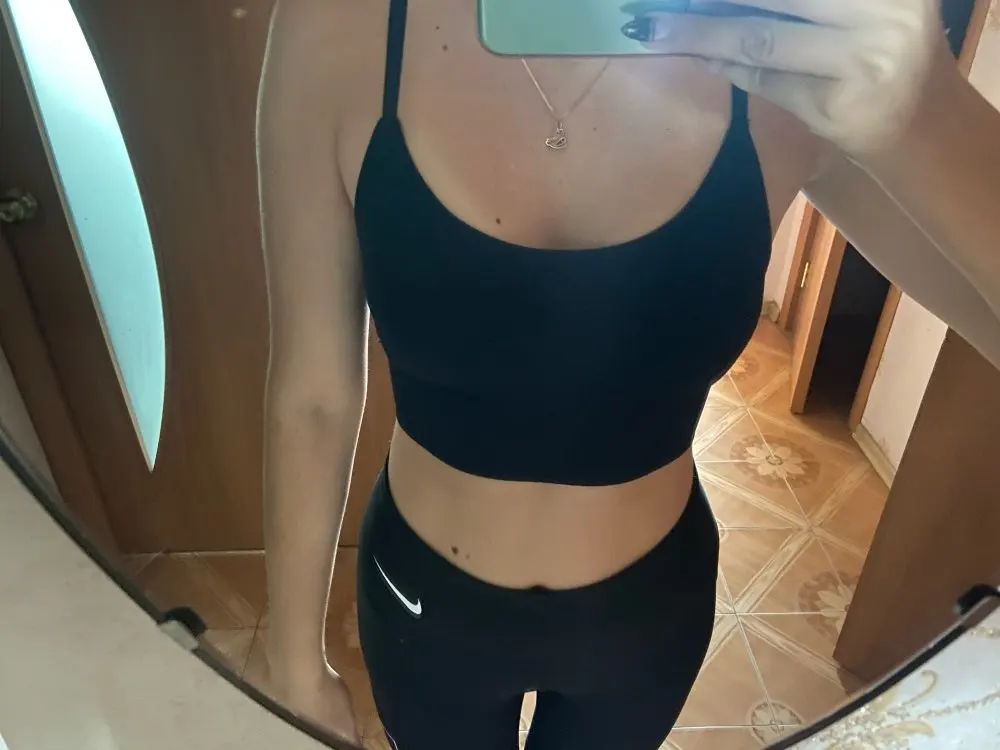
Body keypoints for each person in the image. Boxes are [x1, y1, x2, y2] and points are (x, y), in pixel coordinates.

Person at [256, 0, 1000, 746]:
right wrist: (291, 664)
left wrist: (928, 116)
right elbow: (312, 395)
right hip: (421, 603)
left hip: (647, 616)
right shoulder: (335, 24)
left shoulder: (789, 48)